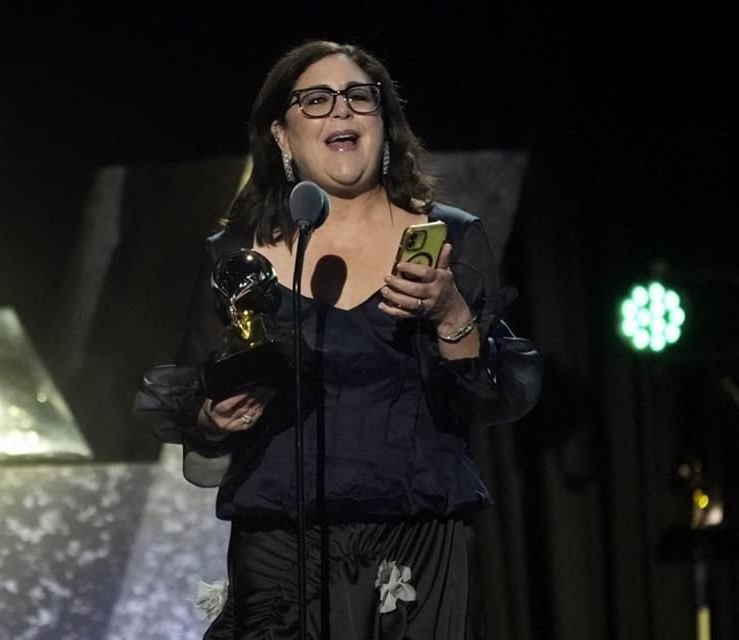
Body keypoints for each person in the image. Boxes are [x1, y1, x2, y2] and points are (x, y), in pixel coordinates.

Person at [134, 40, 542, 639]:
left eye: (359, 98)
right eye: (317, 101)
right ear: (281, 134)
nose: (341, 112)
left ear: (385, 123)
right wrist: (215, 414)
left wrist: (452, 311)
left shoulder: (445, 238)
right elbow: (195, 393)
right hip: (279, 550)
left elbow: (487, 398)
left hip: (416, 545)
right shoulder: (237, 255)